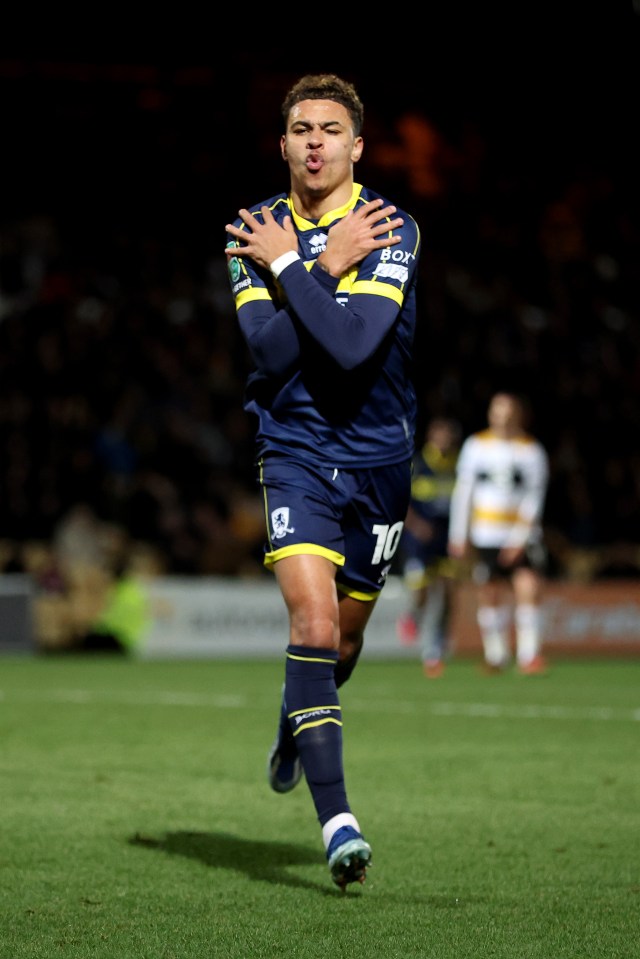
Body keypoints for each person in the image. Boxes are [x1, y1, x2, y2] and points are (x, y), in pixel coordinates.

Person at [224, 73, 421, 889]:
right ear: (283, 145)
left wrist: (309, 267)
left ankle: (296, 715)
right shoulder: (250, 231)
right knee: (310, 618)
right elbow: (267, 358)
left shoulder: (389, 227)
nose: (315, 142)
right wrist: (314, 265)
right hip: (296, 449)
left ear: (356, 146)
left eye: (330, 129)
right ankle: (338, 822)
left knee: (340, 640)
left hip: (378, 459)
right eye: (301, 128)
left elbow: (350, 346)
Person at [447, 391, 550, 675]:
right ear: (490, 414)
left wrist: (521, 538)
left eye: (508, 411)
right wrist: (458, 535)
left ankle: (530, 655)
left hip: (519, 534)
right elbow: (464, 492)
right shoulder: (476, 446)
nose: (502, 417)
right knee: (489, 592)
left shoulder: (531, 450)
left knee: (527, 586)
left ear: (518, 414)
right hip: (485, 533)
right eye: (497, 411)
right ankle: (496, 655)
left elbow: (534, 497)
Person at [395, 416, 462, 678]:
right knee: (422, 591)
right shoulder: (418, 464)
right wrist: (416, 525)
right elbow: (400, 500)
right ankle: (412, 616)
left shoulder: (458, 465)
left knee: (447, 593)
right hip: (419, 540)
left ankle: (434, 650)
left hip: (446, 539)